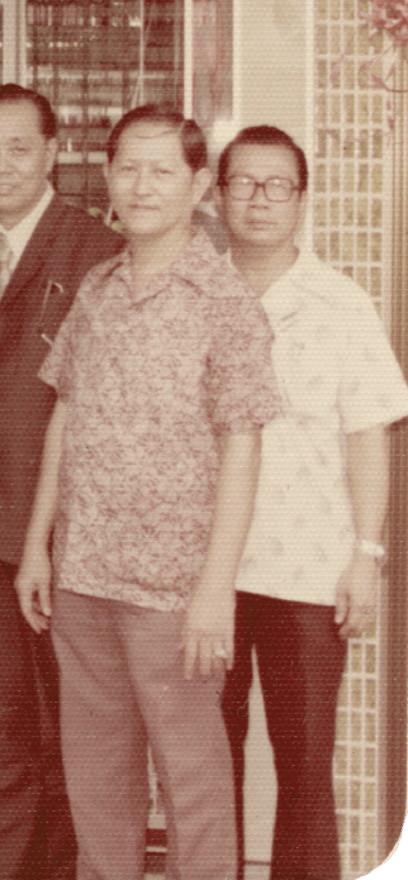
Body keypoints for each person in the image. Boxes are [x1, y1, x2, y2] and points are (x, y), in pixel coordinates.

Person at [16, 105, 284, 880]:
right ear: (106, 177)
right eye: (128, 167)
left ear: (199, 184)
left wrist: (214, 592)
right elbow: (65, 413)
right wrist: (39, 545)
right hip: (84, 575)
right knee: (97, 776)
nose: (142, 185)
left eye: (163, 169)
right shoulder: (96, 285)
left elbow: (243, 444)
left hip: (174, 589)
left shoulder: (224, 299)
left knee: (192, 777)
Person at [217, 126, 407, 880]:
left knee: (303, 769)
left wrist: (367, 554)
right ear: (219, 193)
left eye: (277, 186)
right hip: (209, 573)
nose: (259, 200)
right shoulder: (197, 288)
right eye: (243, 183)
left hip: (306, 572)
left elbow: (370, 435)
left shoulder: (341, 303)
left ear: (302, 199)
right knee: (207, 761)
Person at [0, 85, 119, 880]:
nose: (2, 164)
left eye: (20, 147)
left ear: (54, 152)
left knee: (72, 722)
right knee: (2, 716)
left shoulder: (96, 248)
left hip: (65, 531)